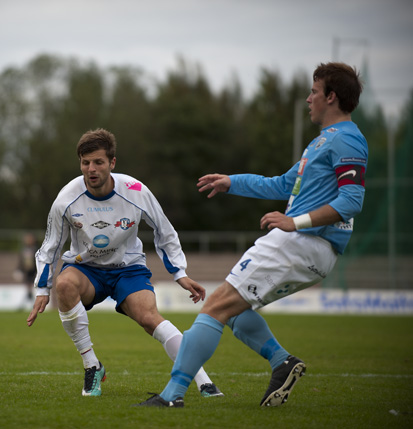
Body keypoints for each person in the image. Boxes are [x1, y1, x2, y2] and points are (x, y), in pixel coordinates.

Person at [137, 62, 368, 408]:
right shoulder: (323, 142)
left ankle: (172, 395)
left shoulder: (348, 139)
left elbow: (352, 200)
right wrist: (232, 182)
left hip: (302, 243)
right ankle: (282, 363)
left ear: (331, 97)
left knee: (215, 306)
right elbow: (282, 184)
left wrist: (296, 222)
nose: (308, 99)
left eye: (314, 92)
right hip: (311, 249)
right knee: (232, 310)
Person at [26, 128, 223, 398]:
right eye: (85, 163)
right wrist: (41, 288)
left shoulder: (137, 191)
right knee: (64, 285)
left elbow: (164, 230)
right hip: (86, 269)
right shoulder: (65, 199)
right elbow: (51, 245)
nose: (91, 169)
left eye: (98, 162)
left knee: (149, 318)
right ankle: (92, 365)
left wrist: (180, 273)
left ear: (112, 163)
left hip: (127, 269)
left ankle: (203, 380)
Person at [17, 233, 38, 309]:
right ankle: (33, 304)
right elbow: (20, 261)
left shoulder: (36, 249)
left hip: (34, 271)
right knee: (28, 289)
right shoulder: (23, 250)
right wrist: (18, 270)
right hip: (26, 272)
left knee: (30, 289)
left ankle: (25, 305)